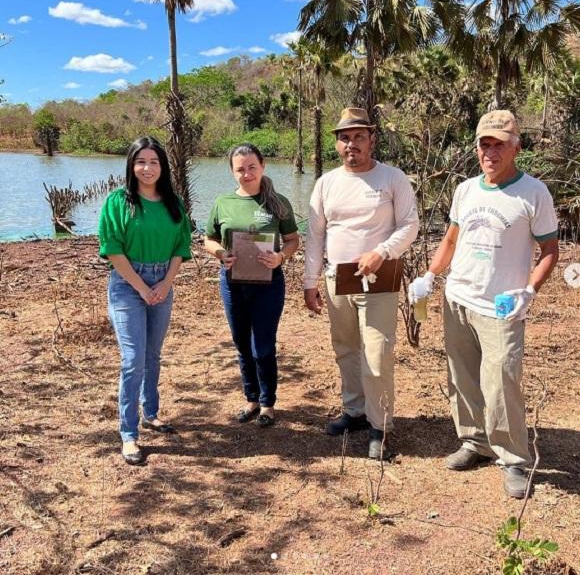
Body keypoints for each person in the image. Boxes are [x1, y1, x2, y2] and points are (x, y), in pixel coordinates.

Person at [409, 110, 559, 498]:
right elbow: (451, 240)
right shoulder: (466, 190)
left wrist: (529, 290)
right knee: (462, 377)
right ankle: (474, 441)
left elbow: (549, 251)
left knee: (502, 383)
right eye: (484, 144)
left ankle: (514, 460)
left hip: (502, 307)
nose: (490, 152)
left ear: (516, 147)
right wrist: (430, 276)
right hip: (458, 296)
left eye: (499, 144)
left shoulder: (534, 193)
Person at [304, 107, 419, 458]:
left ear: (371, 139)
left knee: (378, 351)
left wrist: (382, 252)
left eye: (358, 137)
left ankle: (380, 424)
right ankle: (354, 411)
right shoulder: (326, 183)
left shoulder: (392, 178)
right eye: (344, 138)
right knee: (346, 347)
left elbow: (410, 225)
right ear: (337, 144)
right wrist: (310, 281)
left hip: (379, 279)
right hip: (338, 279)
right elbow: (315, 235)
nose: (351, 143)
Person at [98, 136, 192, 465]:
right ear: (131, 165)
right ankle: (128, 433)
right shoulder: (117, 201)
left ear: (162, 166)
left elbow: (181, 247)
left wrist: (165, 283)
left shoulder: (173, 203)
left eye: (154, 162)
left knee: (153, 354)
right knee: (133, 359)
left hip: (162, 281)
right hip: (127, 284)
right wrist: (141, 287)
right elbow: (112, 249)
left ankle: (151, 412)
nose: (147, 168)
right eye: (141, 162)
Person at [204, 143, 299, 427]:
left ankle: (268, 403)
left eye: (251, 167)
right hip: (233, 284)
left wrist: (281, 256)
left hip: (268, 285)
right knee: (242, 343)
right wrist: (221, 253)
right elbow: (208, 239)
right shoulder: (223, 203)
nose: (246, 174)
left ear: (262, 166)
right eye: (240, 169)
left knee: (264, 345)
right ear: (233, 172)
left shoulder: (278, 202)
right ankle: (251, 399)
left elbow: (293, 239)